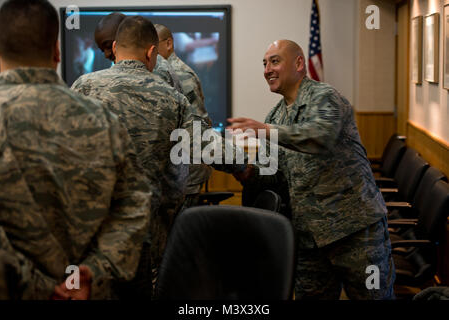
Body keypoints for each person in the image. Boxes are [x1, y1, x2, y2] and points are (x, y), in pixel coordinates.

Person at [71, 16, 247, 292]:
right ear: (152, 52)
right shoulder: (171, 97)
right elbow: (205, 145)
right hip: (148, 230)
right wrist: (244, 166)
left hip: (95, 228)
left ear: (115, 47)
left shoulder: (83, 87)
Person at [0, 0, 152, 299]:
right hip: (88, 290)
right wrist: (94, 270)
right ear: (56, 51)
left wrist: (41, 288)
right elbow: (135, 204)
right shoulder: (103, 121)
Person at [228, 39, 395, 300]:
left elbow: (320, 137)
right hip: (310, 238)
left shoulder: (325, 97)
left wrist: (265, 131)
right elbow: (272, 172)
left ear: (298, 63)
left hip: (355, 232)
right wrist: (242, 169)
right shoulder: (275, 116)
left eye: (275, 61)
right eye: (264, 63)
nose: (267, 70)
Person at [155, 24, 212, 208]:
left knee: (182, 233)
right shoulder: (160, 72)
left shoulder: (180, 74)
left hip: (186, 174)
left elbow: (197, 126)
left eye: (153, 46)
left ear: (169, 43)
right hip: (174, 173)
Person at [94, 12, 183, 93]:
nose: (106, 54)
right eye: (102, 50)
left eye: (109, 46)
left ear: (125, 34)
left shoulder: (158, 67)